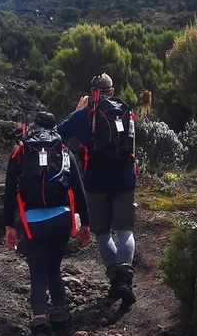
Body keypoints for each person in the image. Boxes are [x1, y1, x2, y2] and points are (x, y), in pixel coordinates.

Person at [3, 111, 92, 336]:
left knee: (39, 274)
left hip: (34, 223)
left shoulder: (21, 153)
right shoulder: (64, 151)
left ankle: (41, 329)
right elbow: (79, 190)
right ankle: (61, 320)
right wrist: (85, 223)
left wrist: (9, 225)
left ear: (33, 128)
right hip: (62, 220)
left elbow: (10, 192)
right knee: (54, 269)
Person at [57, 72, 139, 306]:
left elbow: (57, 134)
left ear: (92, 93)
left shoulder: (84, 115)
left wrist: (77, 111)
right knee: (125, 230)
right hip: (125, 179)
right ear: (111, 92)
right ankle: (124, 280)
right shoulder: (125, 112)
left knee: (103, 234)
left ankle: (115, 279)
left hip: (96, 182)